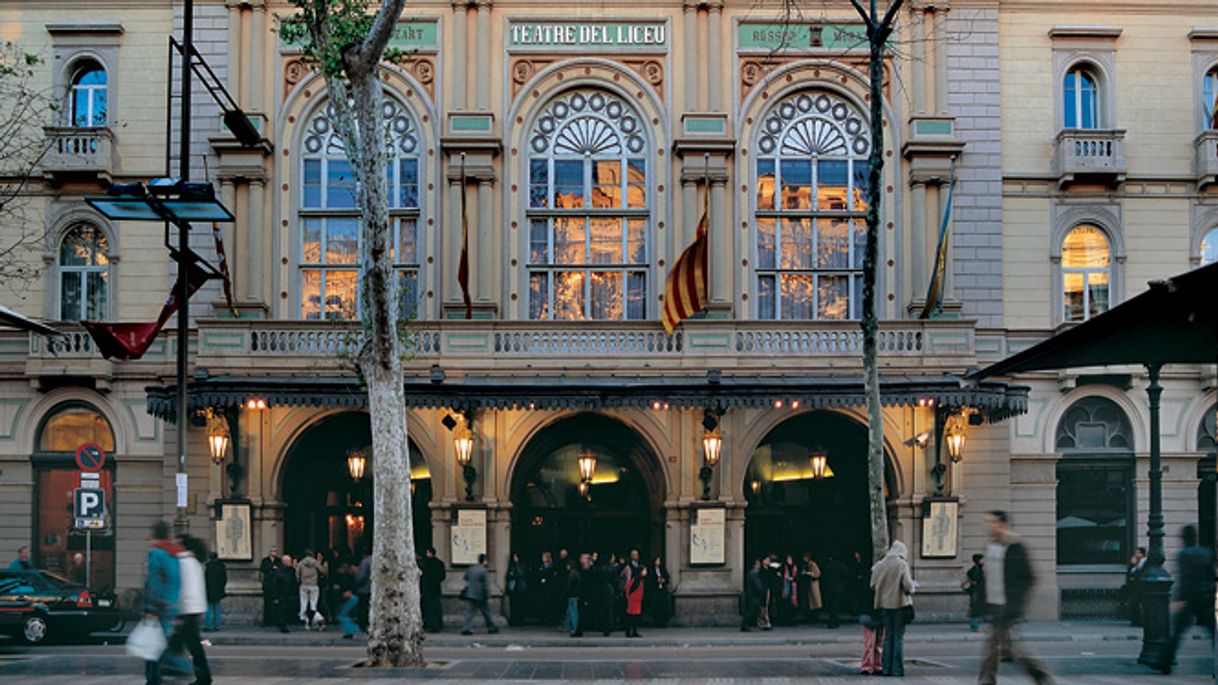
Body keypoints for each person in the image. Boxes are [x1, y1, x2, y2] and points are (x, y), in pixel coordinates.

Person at [979, 510, 1054, 685]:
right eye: (988, 522)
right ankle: (1039, 675)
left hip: (1007, 606)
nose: (989, 526)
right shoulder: (990, 547)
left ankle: (1038, 675)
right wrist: (981, 605)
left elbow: (1028, 577)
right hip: (994, 605)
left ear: (1002, 524)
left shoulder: (1015, 546)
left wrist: (1015, 604)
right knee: (1005, 649)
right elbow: (987, 578)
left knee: (995, 649)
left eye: (993, 522)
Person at [1154, 525, 1216, 674]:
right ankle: (1165, 661)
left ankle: (1165, 662)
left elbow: (1184, 580)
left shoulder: (1184, 554)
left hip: (1189, 598)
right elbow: (1211, 575)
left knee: (1177, 633)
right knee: (1213, 632)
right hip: (1205, 598)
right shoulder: (1206, 552)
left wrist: (1178, 600)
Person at [167, 535, 212, 685]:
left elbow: (184, 589)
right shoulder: (195, 561)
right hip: (195, 608)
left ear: (183, 546)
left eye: (177, 543)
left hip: (187, 610)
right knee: (191, 646)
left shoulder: (183, 562)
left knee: (182, 645)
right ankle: (202, 677)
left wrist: (178, 611)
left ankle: (172, 671)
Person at [142, 521, 181, 685]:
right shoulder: (175, 554)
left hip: (158, 607)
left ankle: (153, 680)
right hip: (172, 605)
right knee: (160, 645)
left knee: (151, 648)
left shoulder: (156, 553)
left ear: (154, 534)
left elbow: (155, 583)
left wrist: (151, 608)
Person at [871, 540, 914, 677]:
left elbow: (872, 584)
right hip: (899, 605)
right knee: (898, 638)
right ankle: (896, 670)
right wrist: (912, 588)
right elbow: (908, 586)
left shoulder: (879, 565)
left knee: (887, 637)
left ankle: (886, 668)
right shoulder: (901, 564)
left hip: (883, 606)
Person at [460, 553, 498, 635]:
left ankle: (466, 628)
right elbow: (486, 585)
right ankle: (491, 627)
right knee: (486, 612)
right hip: (481, 595)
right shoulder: (484, 571)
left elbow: (465, 578)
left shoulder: (471, 569)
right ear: (484, 561)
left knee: (470, 612)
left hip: (471, 594)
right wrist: (488, 597)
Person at [419, 547, 446, 632]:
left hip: (428, 589)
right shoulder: (440, 563)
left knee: (429, 608)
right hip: (436, 588)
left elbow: (423, 577)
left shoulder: (426, 564)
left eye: (427, 552)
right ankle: (439, 624)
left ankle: (432, 625)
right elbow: (443, 576)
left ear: (430, 553)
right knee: (437, 607)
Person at [820, 553, 849, 629]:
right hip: (839, 588)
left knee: (831, 606)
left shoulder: (827, 566)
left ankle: (832, 621)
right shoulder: (841, 565)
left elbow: (823, 576)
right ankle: (835, 621)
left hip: (829, 588)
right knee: (836, 606)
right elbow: (846, 575)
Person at [296, 548, 322, 629]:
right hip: (314, 585)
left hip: (304, 585)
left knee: (303, 603)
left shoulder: (301, 563)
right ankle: (314, 621)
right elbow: (322, 571)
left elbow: (297, 574)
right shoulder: (316, 562)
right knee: (313, 604)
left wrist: (298, 581)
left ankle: (304, 620)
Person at [333, 562, 360, 639]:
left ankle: (352, 630)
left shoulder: (343, 577)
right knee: (345, 615)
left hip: (350, 598)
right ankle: (351, 631)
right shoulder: (350, 576)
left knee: (342, 615)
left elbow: (345, 587)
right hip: (353, 598)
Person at [272, 554, 297, 633]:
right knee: (282, 610)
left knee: (286, 610)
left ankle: (283, 623)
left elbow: (294, 582)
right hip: (281, 593)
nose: (291, 562)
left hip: (288, 593)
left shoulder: (292, 570)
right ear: (285, 562)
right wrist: (275, 596)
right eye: (289, 561)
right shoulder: (279, 571)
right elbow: (275, 584)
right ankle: (282, 625)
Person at [644, 555, 672, 627]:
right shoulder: (651, 570)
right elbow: (649, 580)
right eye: (657, 561)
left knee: (663, 606)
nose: (658, 562)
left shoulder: (662, 569)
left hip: (662, 590)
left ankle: (663, 622)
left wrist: (664, 580)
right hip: (655, 590)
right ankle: (657, 622)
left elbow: (667, 577)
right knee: (656, 606)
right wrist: (656, 581)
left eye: (659, 561)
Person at [741, 555, 765, 632]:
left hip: (751, 594)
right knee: (752, 611)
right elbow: (758, 585)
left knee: (753, 610)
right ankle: (746, 625)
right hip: (754, 595)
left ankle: (749, 624)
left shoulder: (751, 573)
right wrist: (761, 590)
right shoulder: (755, 573)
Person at [1123, 547, 1147, 626]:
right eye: (1136, 553)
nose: (1136, 554)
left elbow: (1141, 574)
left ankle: (1140, 622)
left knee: (1139, 605)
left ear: (1142, 554)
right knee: (1134, 604)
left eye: (1138, 553)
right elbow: (1129, 573)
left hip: (1141, 587)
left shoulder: (1145, 562)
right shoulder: (1134, 562)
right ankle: (1135, 621)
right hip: (1133, 587)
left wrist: (1135, 565)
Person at [204, 552, 227, 631]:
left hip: (209, 590)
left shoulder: (208, 566)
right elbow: (224, 579)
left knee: (209, 608)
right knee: (217, 608)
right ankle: (217, 625)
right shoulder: (221, 566)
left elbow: (205, 579)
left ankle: (208, 625)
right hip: (218, 590)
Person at [963, 553, 986, 632]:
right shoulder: (975, 570)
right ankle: (975, 626)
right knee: (974, 608)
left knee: (975, 608)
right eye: (982, 559)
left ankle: (975, 625)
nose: (984, 561)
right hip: (975, 591)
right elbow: (975, 580)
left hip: (976, 591)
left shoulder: (979, 568)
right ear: (978, 561)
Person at [258, 546, 280, 627]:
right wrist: (272, 568)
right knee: (267, 603)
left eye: (275, 551)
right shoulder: (265, 560)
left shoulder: (278, 560)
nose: (274, 552)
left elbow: (279, 569)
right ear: (269, 552)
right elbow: (263, 569)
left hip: (276, 585)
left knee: (276, 603)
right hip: (267, 584)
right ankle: (267, 620)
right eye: (272, 551)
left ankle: (275, 620)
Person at [623, 564, 646, 637]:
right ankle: (630, 631)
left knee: (634, 616)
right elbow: (629, 588)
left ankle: (633, 631)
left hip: (637, 599)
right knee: (632, 616)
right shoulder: (637, 579)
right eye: (644, 570)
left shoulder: (638, 579)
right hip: (634, 599)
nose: (645, 572)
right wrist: (629, 596)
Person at [505, 551, 527, 626]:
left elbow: (521, 574)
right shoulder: (511, 566)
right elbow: (508, 576)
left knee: (520, 604)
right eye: (514, 557)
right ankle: (514, 620)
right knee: (513, 605)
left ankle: (521, 620)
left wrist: (514, 573)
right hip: (513, 588)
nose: (515, 558)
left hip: (520, 588)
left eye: (516, 557)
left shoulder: (522, 565)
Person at [562, 557, 581, 635]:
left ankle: (572, 627)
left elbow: (569, 586)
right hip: (575, 594)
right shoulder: (576, 573)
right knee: (571, 611)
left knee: (572, 612)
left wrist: (564, 594)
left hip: (572, 595)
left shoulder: (572, 574)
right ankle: (567, 626)